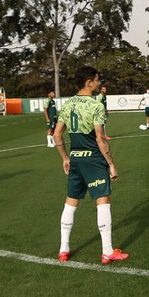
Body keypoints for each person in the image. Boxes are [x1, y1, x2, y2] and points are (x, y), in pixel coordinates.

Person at [54, 66, 127, 265]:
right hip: (94, 160)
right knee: (103, 202)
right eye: (97, 80)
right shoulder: (96, 106)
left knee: (70, 203)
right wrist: (111, 164)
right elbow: (101, 139)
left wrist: (65, 158)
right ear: (88, 82)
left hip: (76, 159)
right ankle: (107, 252)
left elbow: (57, 135)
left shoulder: (67, 105)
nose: (99, 83)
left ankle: (63, 250)